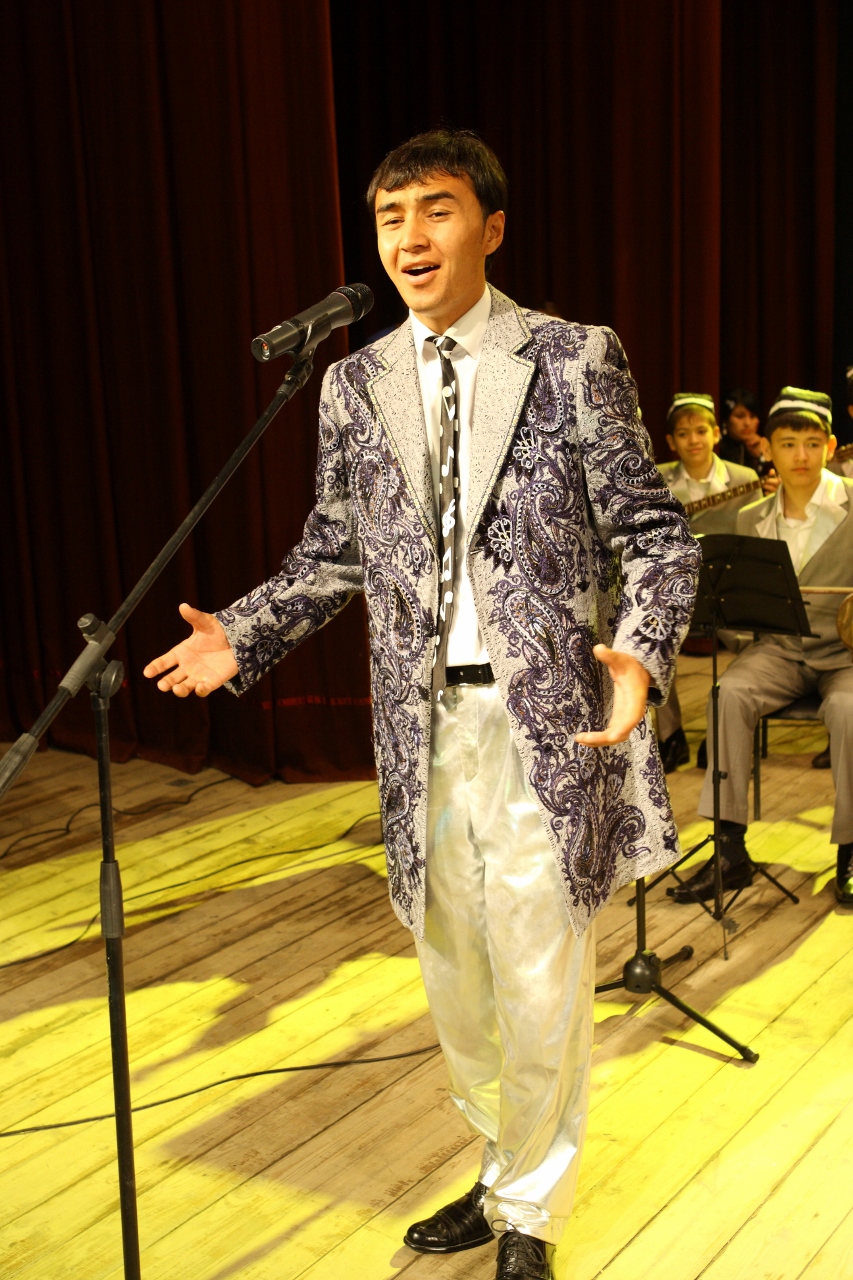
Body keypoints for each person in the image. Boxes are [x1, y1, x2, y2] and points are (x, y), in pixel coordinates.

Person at [143, 129, 701, 1280]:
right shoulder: (354, 384)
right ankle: (502, 1163)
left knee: (538, 976)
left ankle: (531, 1211)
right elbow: (333, 555)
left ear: (489, 227)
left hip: (546, 724)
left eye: (435, 211)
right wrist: (242, 630)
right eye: (391, 217)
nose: (409, 237)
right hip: (420, 732)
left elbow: (655, 534)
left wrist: (641, 653)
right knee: (456, 980)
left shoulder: (570, 356)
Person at [670, 386, 853, 908]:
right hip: (781, 651)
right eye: (788, 444)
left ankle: (851, 851)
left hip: (846, 657)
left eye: (812, 444)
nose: (801, 456)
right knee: (727, 694)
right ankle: (730, 849)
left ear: (830, 446)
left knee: (850, 711)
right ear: (768, 450)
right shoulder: (751, 516)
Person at [655, 393, 757, 771]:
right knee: (653, 642)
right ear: (671, 441)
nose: (693, 440)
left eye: (701, 431)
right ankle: (671, 735)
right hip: (675, 589)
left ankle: (721, 732)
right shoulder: (655, 478)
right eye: (683, 434)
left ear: (716, 434)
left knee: (752, 646)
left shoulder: (745, 479)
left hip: (727, 588)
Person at [719, 387, 778, 493]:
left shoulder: (763, 447)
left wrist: (763, 454)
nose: (747, 423)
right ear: (726, 420)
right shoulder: (716, 448)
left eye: (753, 416)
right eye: (740, 416)